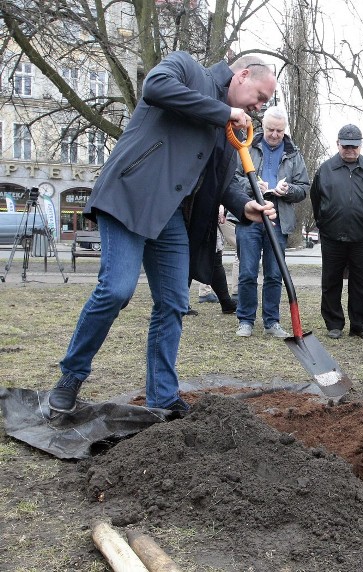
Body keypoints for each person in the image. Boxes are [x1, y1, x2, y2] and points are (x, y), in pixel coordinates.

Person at [48, 52, 277, 414]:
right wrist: (222, 113)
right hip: (129, 197)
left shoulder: (232, 132)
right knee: (116, 290)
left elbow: (218, 180)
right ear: (243, 75)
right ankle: (71, 377)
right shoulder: (187, 69)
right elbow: (155, 87)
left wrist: (243, 206)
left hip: (170, 218)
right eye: (261, 96)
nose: (260, 106)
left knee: (173, 303)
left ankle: (162, 396)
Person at [234, 106, 309, 338]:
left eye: (279, 130)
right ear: (262, 126)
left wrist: (288, 190)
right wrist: (254, 186)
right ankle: (245, 320)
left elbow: (304, 188)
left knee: (274, 273)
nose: (275, 134)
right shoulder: (246, 147)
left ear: (284, 130)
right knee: (247, 271)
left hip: (278, 219)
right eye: (270, 130)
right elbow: (234, 180)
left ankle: (272, 321)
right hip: (249, 217)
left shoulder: (294, 154)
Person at [310, 124, 363, 340]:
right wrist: (324, 223)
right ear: (337, 144)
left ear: (360, 146)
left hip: (362, 237)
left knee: (361, 283)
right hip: (332, 237)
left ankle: (360, 325)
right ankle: (334, 323)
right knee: (331, 281)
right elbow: (316, 200)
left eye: (354, 146)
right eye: (346, 146)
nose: (350, 150)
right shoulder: (325, 169)